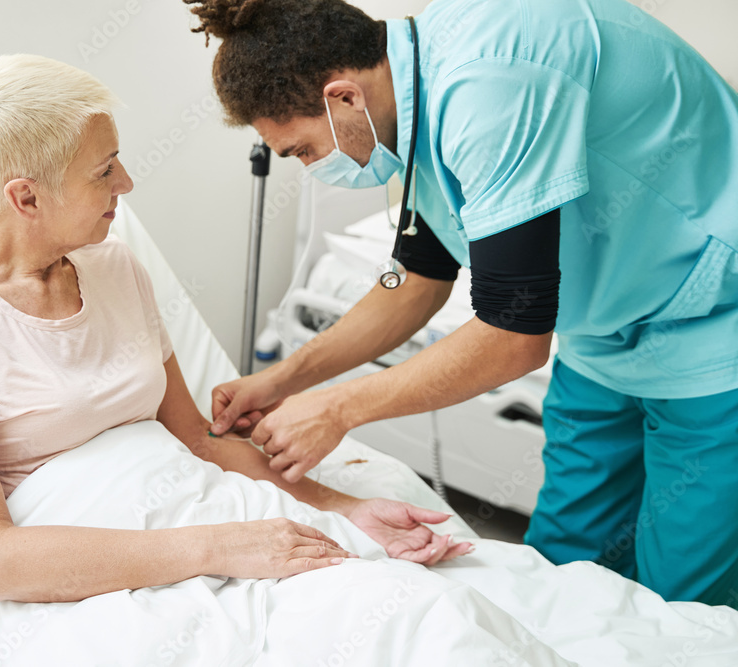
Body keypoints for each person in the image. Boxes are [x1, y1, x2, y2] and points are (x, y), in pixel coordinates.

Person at [186, 0, 738, 608]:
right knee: (562, 567)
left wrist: (336, 409)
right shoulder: (412, 95)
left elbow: (513, 336)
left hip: (713, 326)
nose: (311, 169)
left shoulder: (489, 83)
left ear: (343, 97)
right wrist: (285, 379)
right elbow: (418, 275)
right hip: (603, 336)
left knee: (684, 598)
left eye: (303, 151)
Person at [0, 54, 471, 604]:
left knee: (419, 607)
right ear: (26, 197)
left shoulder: (113, 266)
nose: (127, 184)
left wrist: (343, 508)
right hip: (110, 575)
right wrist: (220, 547)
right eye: (104, 170)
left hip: (202, 516)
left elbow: (197, 439)